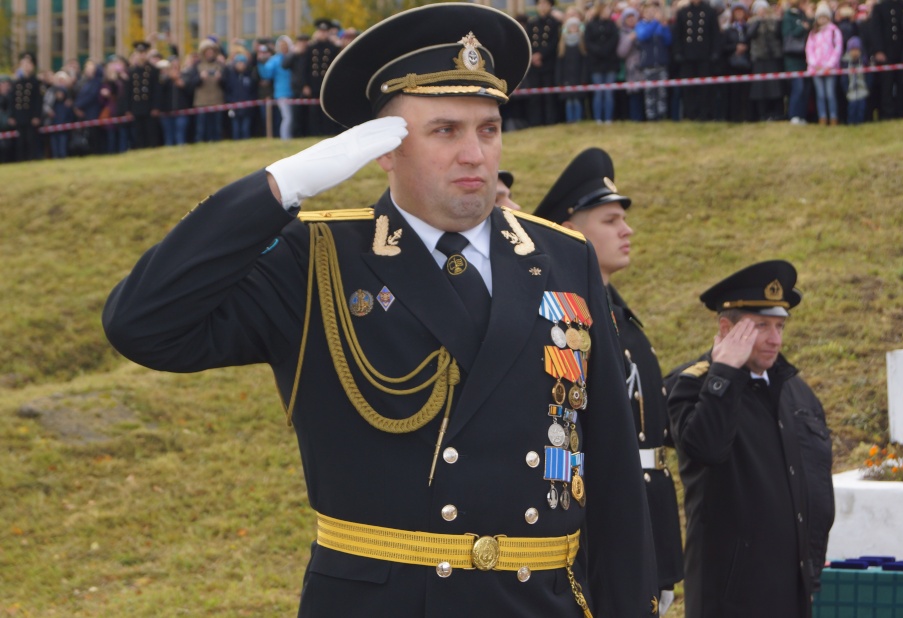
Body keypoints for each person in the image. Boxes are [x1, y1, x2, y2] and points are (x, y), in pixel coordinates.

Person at [102, 4, 659, 616]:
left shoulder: (561, 256)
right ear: (384, 150)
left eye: (488, 129)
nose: (475, 154)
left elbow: (612, 470)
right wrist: (279, 188)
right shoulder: (319, 257)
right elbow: (143, 324)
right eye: (445, 131)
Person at [534, 148, 685, 616]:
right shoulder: (562, 322)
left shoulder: (620, 316)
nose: (627, 230)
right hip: (593, 530)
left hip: (640, 524)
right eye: (611, 220)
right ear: (571, 230)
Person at [666, 260, 834, 618]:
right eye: (761, 326)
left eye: (780, 326)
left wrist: (810, 564)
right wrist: (724, 373)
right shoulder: (693, 386)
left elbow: (814, 480)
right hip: (731, 595)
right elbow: (706, 449)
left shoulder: (794, 390)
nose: (776, 339)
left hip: (793, 585)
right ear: (726, 329)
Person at [806, 2, 843, 125]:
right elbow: (809, 49)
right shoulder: (813, 33)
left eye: (824, 17)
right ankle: (822, 117)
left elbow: (838, 49)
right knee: (820, 95)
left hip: (830, 69)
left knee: (830, 94)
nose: (822, 19)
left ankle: (833, 116)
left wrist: (829, 65)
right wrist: (814, 64)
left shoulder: (834, 31)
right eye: (820, 17)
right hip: (816, 69)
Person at [527, 0, 561, 126]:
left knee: (549, 95)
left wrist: (541, 55)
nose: (542, 7)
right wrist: (533, 56)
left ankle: (550, 121)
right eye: (540, 4)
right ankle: (536, 122)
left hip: (548, 63)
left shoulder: (554, 23)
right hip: (534, 64)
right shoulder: (532, 23)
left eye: (545, 4)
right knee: (535, 96)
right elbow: (528, 41)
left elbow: (554, 42)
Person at [585, 2, 620, 124]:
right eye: (606, 10)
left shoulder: (612, 25)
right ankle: (598, 119)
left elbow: (615, 39)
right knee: (598, 92)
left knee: (609, 93)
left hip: (610, 63)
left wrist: (605, 50)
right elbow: (588, 42)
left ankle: (608, 118)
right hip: (596, 63)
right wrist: (598, 51)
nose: (608, 12)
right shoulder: (590, 25)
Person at [125, 41, 161, 149]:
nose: (141, 55)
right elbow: (128, 92)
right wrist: (128, 109)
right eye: (139, 53)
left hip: (149, 106)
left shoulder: (153, 70)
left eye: (143, 53)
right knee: (138, 133)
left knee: (151, 132)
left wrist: (156, 107)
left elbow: (156, 90)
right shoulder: (132, 71)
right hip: (136, 107)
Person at [782, 0, 813, 124]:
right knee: (798, 88)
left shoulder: (804, 15)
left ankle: (802, 116)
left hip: (806, 59)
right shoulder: (788, 16)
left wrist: (809, 18)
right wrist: (802, 27)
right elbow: (789, 35)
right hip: (793, 60)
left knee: (806, 89)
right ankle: (794, 115)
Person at [556, 16, 587, 123]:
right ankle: (570, 121)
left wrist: (583, 78)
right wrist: (559, 79)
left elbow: (584, 63)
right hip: (566, 77)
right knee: (569, 101)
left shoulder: (581, 43)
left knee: (577, 100)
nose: (573, 28)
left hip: (578, 77)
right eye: (571, 26)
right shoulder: (562, 44)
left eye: (575, 26)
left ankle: (578, 120)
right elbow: (559, 64)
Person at [840, 36, 871, 124]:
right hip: (851, 92)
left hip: (862, 90)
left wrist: (868, 87)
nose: (855, 52)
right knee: (852, 108)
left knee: (862, 108)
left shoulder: (864, 62)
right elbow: (844, 79)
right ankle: (851, 123)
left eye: (857, 49)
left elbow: (869, 77)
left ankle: (861, 123)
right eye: (852, 50)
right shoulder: (845, 63)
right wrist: (846, 90)